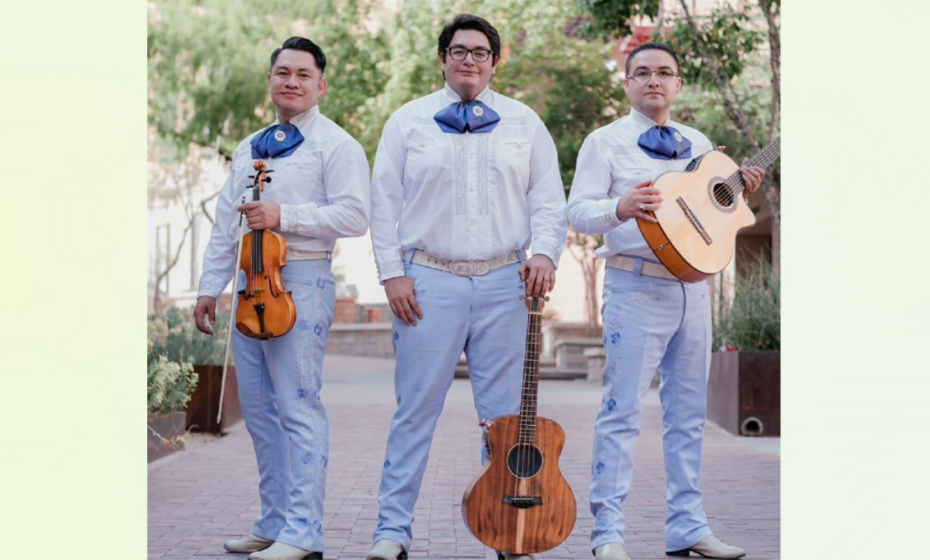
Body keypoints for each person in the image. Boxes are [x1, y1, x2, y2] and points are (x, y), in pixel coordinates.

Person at [365, 14, 567, 560]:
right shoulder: (408, 122)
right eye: (459, 51)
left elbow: (549, 199)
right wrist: (391, 273)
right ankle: (392, 532)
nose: (469, 60)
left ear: (495, 62)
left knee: (504, 422)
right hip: (427, 281)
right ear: (443, 58)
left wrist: (545, 252)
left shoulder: (525, 123)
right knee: (415, 411)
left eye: (480, 52)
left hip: (506, 282)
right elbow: (382, 204)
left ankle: (503, 531)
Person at [566, 42, 765, 560]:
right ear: (628, 83)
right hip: (634, 285)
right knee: (621, 411)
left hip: (693, 289)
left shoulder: (700, 142)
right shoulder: (603, 141)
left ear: (678, 84)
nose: (654, 80)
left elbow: (714, 213)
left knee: (689, 414)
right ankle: (608, 534)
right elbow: (579, 212)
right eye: (643, 73)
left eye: (665, 73)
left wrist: (740, 194)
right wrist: (620, 205)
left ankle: (688, 527)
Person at [193, 37, 371, 560]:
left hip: (301, 283)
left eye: (302, 74)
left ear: (321, 85)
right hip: (250, 287)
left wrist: (285, 216)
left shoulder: (336, 146)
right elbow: (229, 220)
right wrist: (210, 287)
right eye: (281, 72)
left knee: (298, 409)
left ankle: (303, 533)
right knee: (261, 414)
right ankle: (272, 523)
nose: (290, 81)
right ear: (270, 79)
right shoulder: (251, 147)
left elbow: (356, 216)